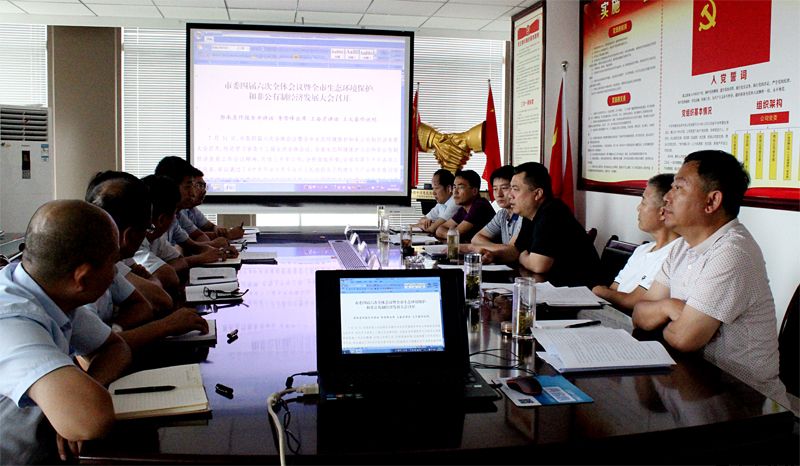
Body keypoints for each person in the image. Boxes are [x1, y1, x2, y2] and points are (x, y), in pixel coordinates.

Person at [632, 150, 786, 402]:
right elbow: (640, 312)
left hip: (746, 402)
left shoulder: (733, 252)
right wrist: (670, 307)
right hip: (696, 386)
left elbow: (684, 338)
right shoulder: (682, 247)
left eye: (679, 188)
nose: (667, 198)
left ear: (712, 201)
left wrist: (665, 316)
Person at [0, 200, 132, 463]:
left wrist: (82, 395)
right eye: (113, 263)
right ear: (82, 278)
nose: (116, 272)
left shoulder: (50, 292)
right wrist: (78, 411)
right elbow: (91, 420)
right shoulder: (10, 321)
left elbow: (115, 347)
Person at [87, 176, 209, 351]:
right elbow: (95, 352)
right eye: (147, 228)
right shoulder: (84, 276)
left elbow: (142, 306)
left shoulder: (111, 265)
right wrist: (166, 326)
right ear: (128, 236)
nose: (148, 234)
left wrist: (115, 330)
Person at [488, 162, 600, 287]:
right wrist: (492, 255)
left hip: (581, 290)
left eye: (515, 189)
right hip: (552, 286)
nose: (510, 195)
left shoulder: (553, 213)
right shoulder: (529, 213)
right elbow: (516, 251)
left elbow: (538, 265)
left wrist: (521, 256)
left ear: (537, 194)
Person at [592, 173, 680, 312]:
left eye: (643, 202)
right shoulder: (642, 249)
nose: (638, 208)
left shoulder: (676, 254)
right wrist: (606, 293)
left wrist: (600, 291)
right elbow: (614, 290)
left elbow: (634, 301)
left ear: (663, 212)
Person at [468, 165, 522, 250]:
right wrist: (500, 248)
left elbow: (512, 249)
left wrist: (486, 247)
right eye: (495, 189)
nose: (499, 194)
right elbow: (476, 239)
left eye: (504, 188)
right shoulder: (502, 214)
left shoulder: (524, 215)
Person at [434, 169, 495, 242]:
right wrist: (452, 234)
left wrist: (451, 234)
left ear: (474, 191)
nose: (455, 192)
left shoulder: (480, 205)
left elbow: (457, 233)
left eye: (461, 187)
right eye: (454, 187)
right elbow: (439, 229)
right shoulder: (463, 209)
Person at [186, 173, 245, 241]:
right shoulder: (180, 212)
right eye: (198, 186)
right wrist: (229, 235)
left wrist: (216, 228)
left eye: (204, 186)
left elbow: (209, 226)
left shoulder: (192, 209)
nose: (204, 191)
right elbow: (191, 239)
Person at [415, 169, 459, 234]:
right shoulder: (441, 203)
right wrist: (425, 221)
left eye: (436, 188)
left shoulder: (455, 202)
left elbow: (433, 228)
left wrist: (423, 225)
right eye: (433, 188)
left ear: (449, 188)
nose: (433, 193)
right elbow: (421, 220)